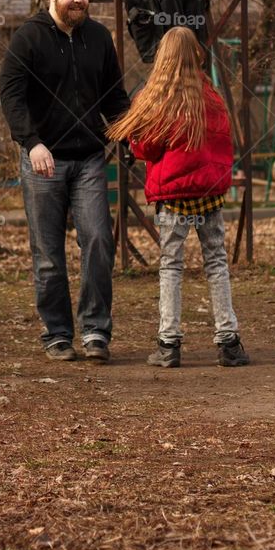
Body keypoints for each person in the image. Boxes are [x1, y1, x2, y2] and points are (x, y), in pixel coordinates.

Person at [0, 0, 130, 363]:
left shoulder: (98, 38)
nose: (79, 0)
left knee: (98, 241)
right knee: (49, 253)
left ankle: (95, 332)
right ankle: (56, 333)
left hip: (90, 157)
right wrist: (31, 143)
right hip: (44, 161)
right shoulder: (28, 38)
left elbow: (114, 98)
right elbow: (10, 96)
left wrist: (129, 132)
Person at [106, 27, 250, 369]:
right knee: (216, 263)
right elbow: (222, 145)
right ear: (196, 54)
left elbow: (144, 147)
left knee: (171, 266)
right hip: (208, 196)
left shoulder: (155, 98)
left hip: (171, 199)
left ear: (163, 56)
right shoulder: (211, 97)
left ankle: (169, 344)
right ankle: (228, 342)